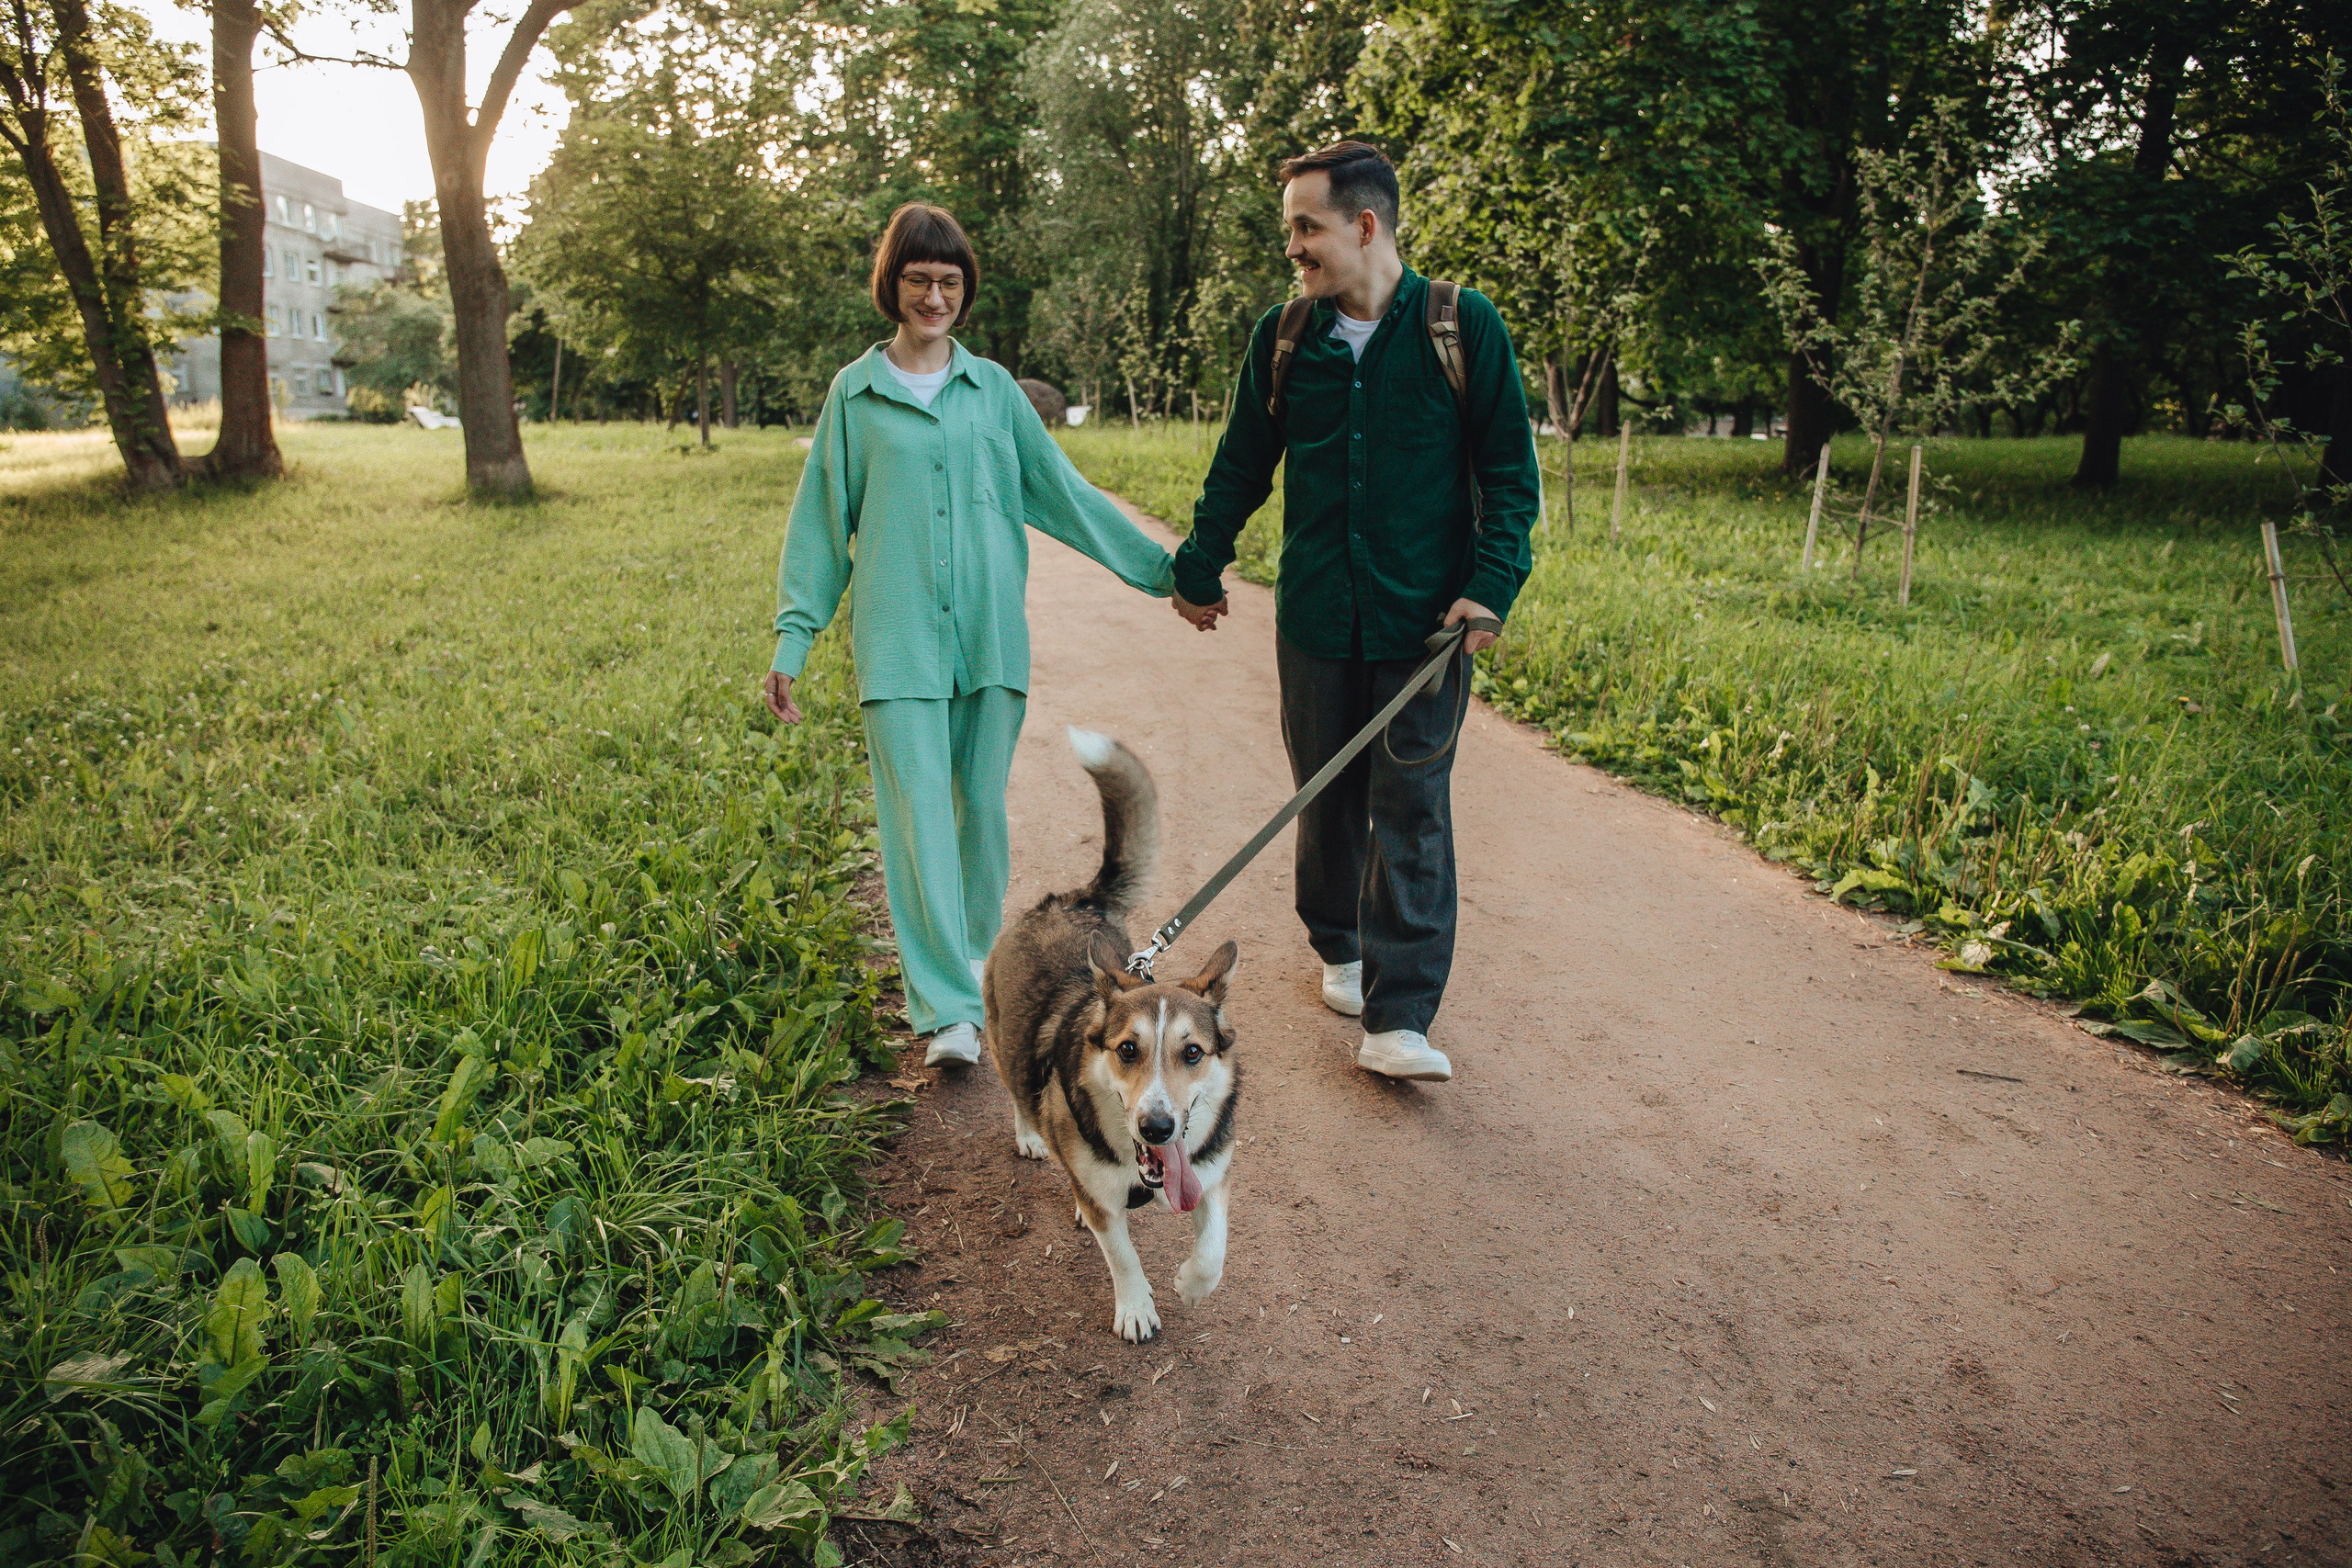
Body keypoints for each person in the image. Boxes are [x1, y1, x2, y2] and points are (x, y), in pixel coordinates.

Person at [763, 202, 1179, 1066]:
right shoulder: (855, 394)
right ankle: (947, 1008)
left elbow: (1063, 493)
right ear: (892, 284)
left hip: (989, 642)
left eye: (949, 281)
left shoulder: (993, 392)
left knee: (978, 818)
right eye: (918, 279)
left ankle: (978, 980)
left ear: (965, 289)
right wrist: (794, 638)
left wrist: (1164, 571)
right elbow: (820, 526)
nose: (934, 296)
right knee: (917, 822)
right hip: (898, 643)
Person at [1167, 141, 1542, 1084]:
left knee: (1411, 807)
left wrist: (1492, 585)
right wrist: (1200, 565)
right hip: (1317, 621)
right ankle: (1338, 943)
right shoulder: (1286, 337)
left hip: (1427, 628)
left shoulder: (1461, 326)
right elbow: (1241, 464)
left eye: (1306, 227)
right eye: (1290, 228)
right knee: (1326, 798)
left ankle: (1400, 1017)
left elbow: (1510, 473)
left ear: (1364, 225)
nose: (1292, 247)